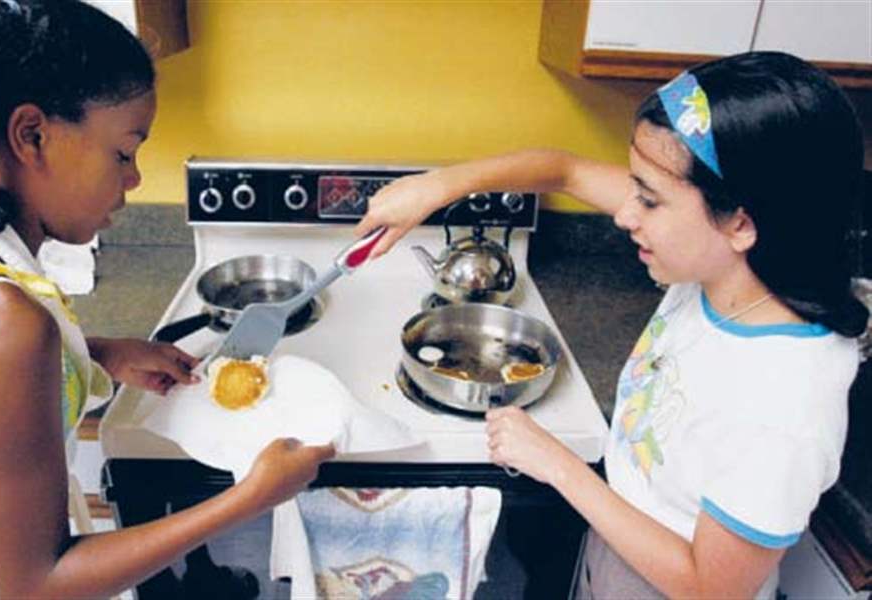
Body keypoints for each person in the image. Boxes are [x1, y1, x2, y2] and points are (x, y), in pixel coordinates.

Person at [355, 51, 868, 599]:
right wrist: (436, 187)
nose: (625, 214)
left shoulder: (783, 402)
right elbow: (566, 170)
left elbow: (709, 588)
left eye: (649, 200)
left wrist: (558, 464)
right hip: (618, 547)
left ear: (741, 223)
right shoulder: (721, 271)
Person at [0, 1, 333, 597]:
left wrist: (98, 355)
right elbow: (38, 586)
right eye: (124, 153)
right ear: (32, 135)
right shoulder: (2, 329)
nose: (133, 178)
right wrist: (251, 498)